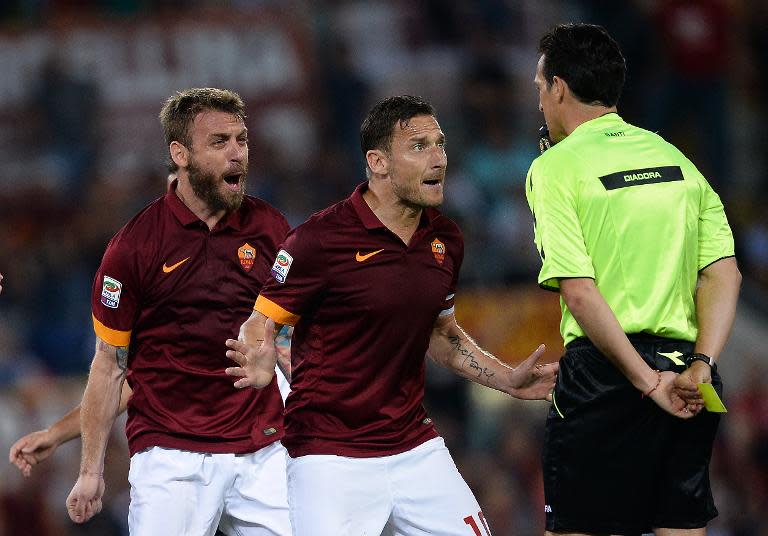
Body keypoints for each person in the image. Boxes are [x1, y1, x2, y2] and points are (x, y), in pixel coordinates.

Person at [224, 95, 559, 535]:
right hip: (329, 456)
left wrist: (505, 378)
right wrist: (260, 352)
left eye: (440, 144)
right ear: (378, 162)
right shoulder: (318, 240)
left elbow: (441, 334)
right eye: (419, 146)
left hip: (414, 446)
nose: (438, 158)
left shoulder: (445, 240)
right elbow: (260, 321)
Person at [525, 23, 741, 536]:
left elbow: (578, 290)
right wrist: (701, 366)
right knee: (680, 526)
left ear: (558, 87)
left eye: (539, 88)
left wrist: (646, 384)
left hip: (607, 374)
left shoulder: (556, 167)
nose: (538, 102)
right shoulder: (678, 161)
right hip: (688, 374)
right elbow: (723, 273)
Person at [63, 87, 292, 536]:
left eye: (241, 140)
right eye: (219, 142)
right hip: (171, 457)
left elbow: (292, 336)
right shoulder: (135, 247)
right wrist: (91, 471)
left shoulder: (272, 230)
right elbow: (109, 365)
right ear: (180, 153)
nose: (236, 154)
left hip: (263, 448)